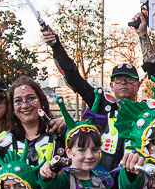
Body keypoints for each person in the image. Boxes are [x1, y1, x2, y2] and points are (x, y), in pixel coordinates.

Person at [43, 25, 140, 175]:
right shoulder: (101, 103)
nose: (123, 82)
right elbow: (74, 79)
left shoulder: (147, 111)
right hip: (100, 179)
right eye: (118, 79)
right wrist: (56, 47)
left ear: (138, 85)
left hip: (134, 180)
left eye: (129, 79)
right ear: (112, 85)